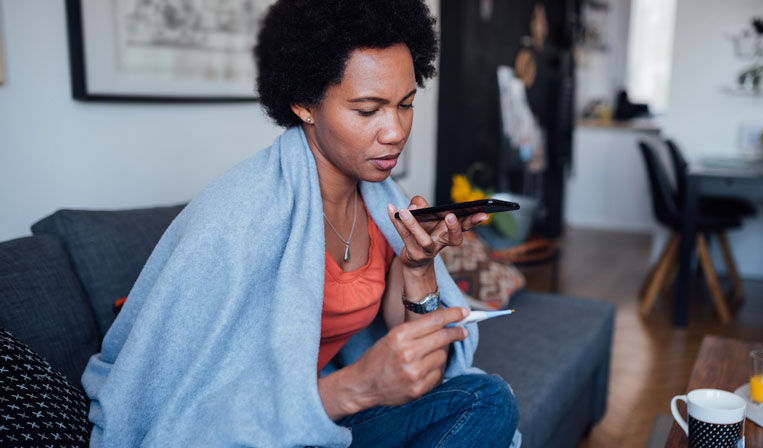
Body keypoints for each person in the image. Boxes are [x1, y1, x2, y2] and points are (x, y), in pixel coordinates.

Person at [80, 0, 519, 447]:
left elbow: (411, 350)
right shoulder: (237, 217)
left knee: (483, 399)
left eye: (405, 104)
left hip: (326, 421)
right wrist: (356, 387)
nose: (395, 131)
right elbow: (188, 409)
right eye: (368, 110)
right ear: (304, 104)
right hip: (255, 431)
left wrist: (419, 264)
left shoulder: (384, 201)